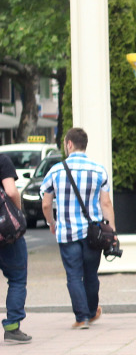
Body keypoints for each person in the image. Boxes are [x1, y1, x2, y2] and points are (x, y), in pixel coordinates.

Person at [42, 127, 114, 329]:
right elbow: (106, 204)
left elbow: (46, 204)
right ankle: (91, 312)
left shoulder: (55, 171)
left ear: (69, 144)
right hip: (93, 234)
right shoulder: (99, 170)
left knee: (73, 275)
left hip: (67, 233)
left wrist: (51, 223)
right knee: (91, 274)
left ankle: (81, 317)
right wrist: (112, 232)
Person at [1, 153, 31, 343]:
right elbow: (11, 192)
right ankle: (12, 328)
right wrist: (17, 213)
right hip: (7, 232)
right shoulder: (2, 160)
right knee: (17, 278)